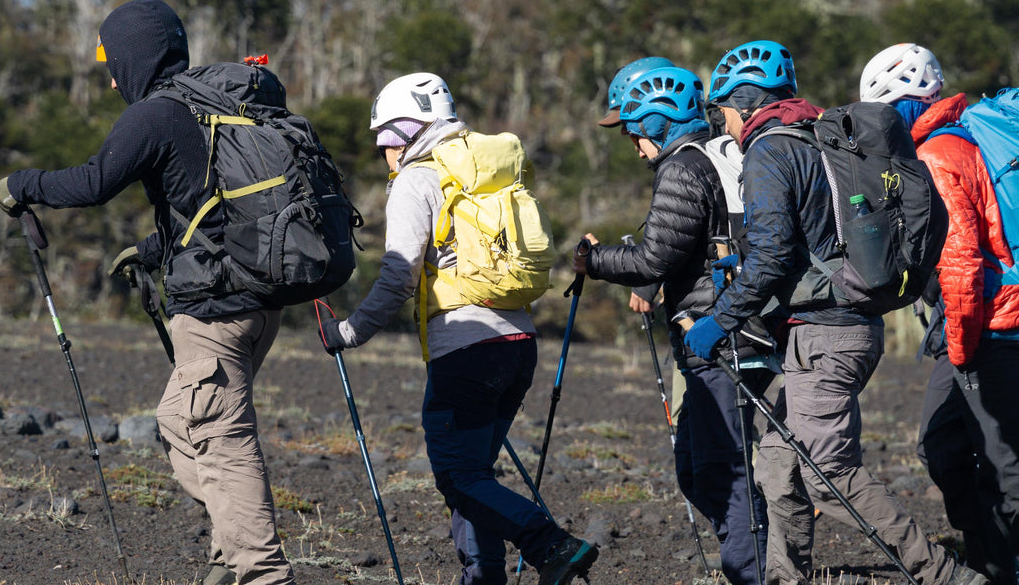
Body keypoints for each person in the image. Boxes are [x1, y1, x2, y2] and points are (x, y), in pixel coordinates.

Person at [0, 0, 292, 585]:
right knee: (181, 423)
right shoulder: (213, 106)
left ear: (137, 55)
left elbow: (92, 181)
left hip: (216, 310)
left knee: (219, 437)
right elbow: (213, 209)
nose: (110, 78)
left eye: (112, 60)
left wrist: (21, 184)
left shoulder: (157, 113)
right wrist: (155, 252)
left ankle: (261, 574)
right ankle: (227, 562)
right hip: (256, 301)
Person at [685, 39, 985, 585]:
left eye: (721, 108)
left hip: (824, 336)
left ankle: (948, 577)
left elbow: (773, 253)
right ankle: (783, 576)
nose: (720, 122)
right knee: (778, 463)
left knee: (828, 473)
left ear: (746, 103)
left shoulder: (770, 151)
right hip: (841, 328)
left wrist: (719, 319)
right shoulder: (820, 136)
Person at [317, 72, 598, 585]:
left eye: (384, 140)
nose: (384, 154)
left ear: (406, 132)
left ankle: (550, 544)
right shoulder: (484, 173)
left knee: (459, 477)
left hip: (465, 352)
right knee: (475, 478)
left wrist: (349, 332)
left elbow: (400, 276)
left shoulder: (417, 179)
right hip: (518, 345)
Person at [573, 58, 774, 585]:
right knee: (698, 467)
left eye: (635, 130)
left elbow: (652, 259)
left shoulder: (683, 166)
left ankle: (754, 569)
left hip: (715, 337)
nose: (634, 144)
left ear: (660, 119)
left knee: (719, 470)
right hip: (742, 330)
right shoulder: (721, 152)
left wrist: (594, 262)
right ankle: (763, 554)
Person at [861, 42, 1019, 585]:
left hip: (989, 327)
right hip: (985, 322)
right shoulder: (967, 133)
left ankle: (999, 568)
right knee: (944, 444)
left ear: (906, 104)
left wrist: (962, 348)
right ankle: (985, 557)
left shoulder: (937, 155)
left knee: (1002, 466)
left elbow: (961, 264)